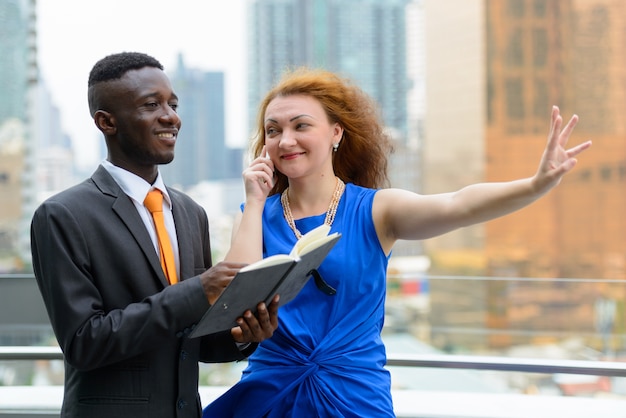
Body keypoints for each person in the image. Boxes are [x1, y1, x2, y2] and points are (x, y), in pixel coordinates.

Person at [202, 67, 592, 417]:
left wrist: (535, 184)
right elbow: (233, 299)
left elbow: (458, 204)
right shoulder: (252, 213)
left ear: (336, 133)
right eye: (273, 130)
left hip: (354, 399)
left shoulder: (376, 209)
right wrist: (254, 201)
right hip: (268, 397)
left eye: (300, 126)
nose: (286, 140)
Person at [30, 52, 279, 418]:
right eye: (152, 104)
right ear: (106, 122)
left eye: (173, 104)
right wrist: (200, 290)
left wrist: (243, 337)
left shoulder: (191, 213)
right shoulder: (62, 215)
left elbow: (194, 340)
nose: (171, 116)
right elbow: (84, 343)